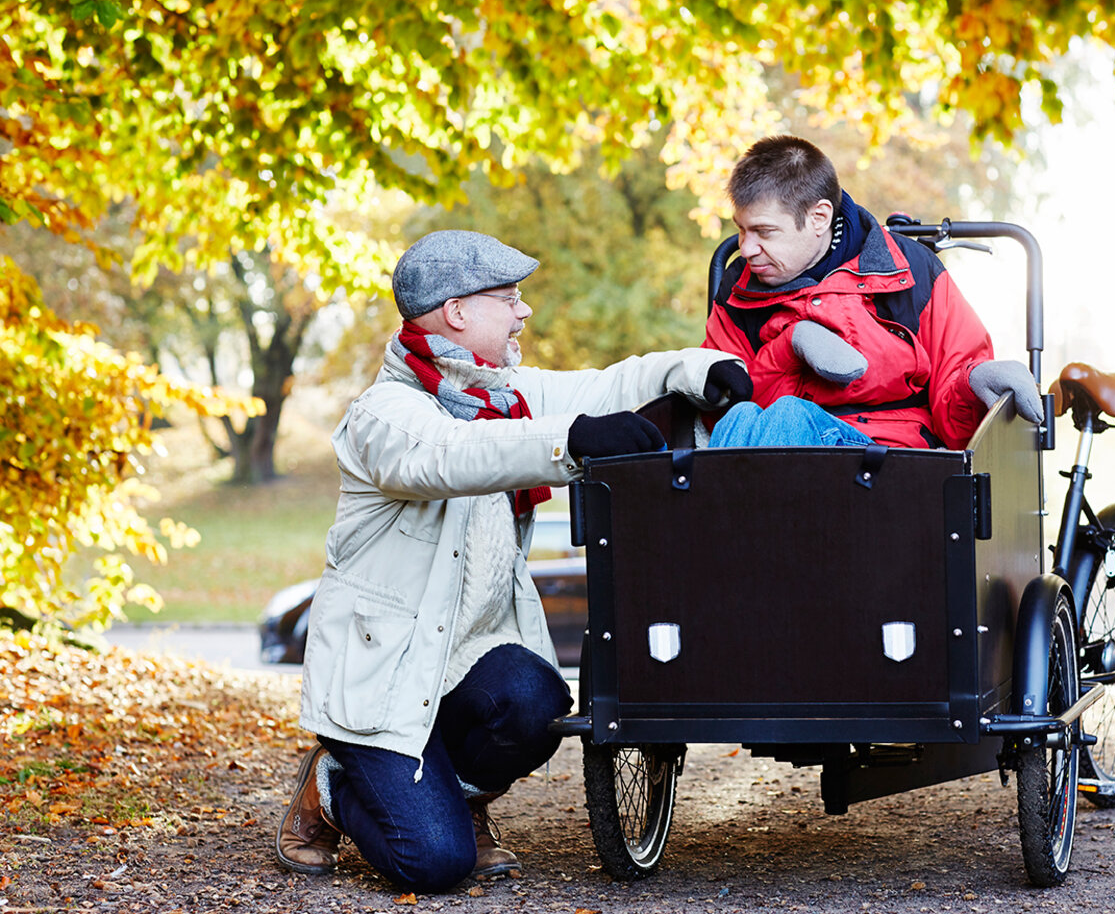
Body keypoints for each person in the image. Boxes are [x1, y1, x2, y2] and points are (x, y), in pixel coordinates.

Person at [275, 230, 751, 894]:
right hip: (385, 678)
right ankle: (332, 787)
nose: (523, 311)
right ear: (457, 312)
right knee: (434, 862)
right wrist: (573, 439)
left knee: (536, 703)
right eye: (508, 297)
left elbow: (610, 382)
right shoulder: (384, 414)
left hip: (464, 660)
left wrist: (695, 369)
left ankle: (453, 792)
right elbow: (454, 455)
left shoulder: (508, 392)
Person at [703, 135, 1042, 450]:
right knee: (739, 418)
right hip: (777, 453)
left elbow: (956, 428)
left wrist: (974, 381)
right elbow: (715, 412)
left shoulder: (914, 271)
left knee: (788, 416)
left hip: (890, 459)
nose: (746, 248)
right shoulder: (738, 291)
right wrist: (789, 350)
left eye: (764, 232)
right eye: (741, 230)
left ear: (819, 217)